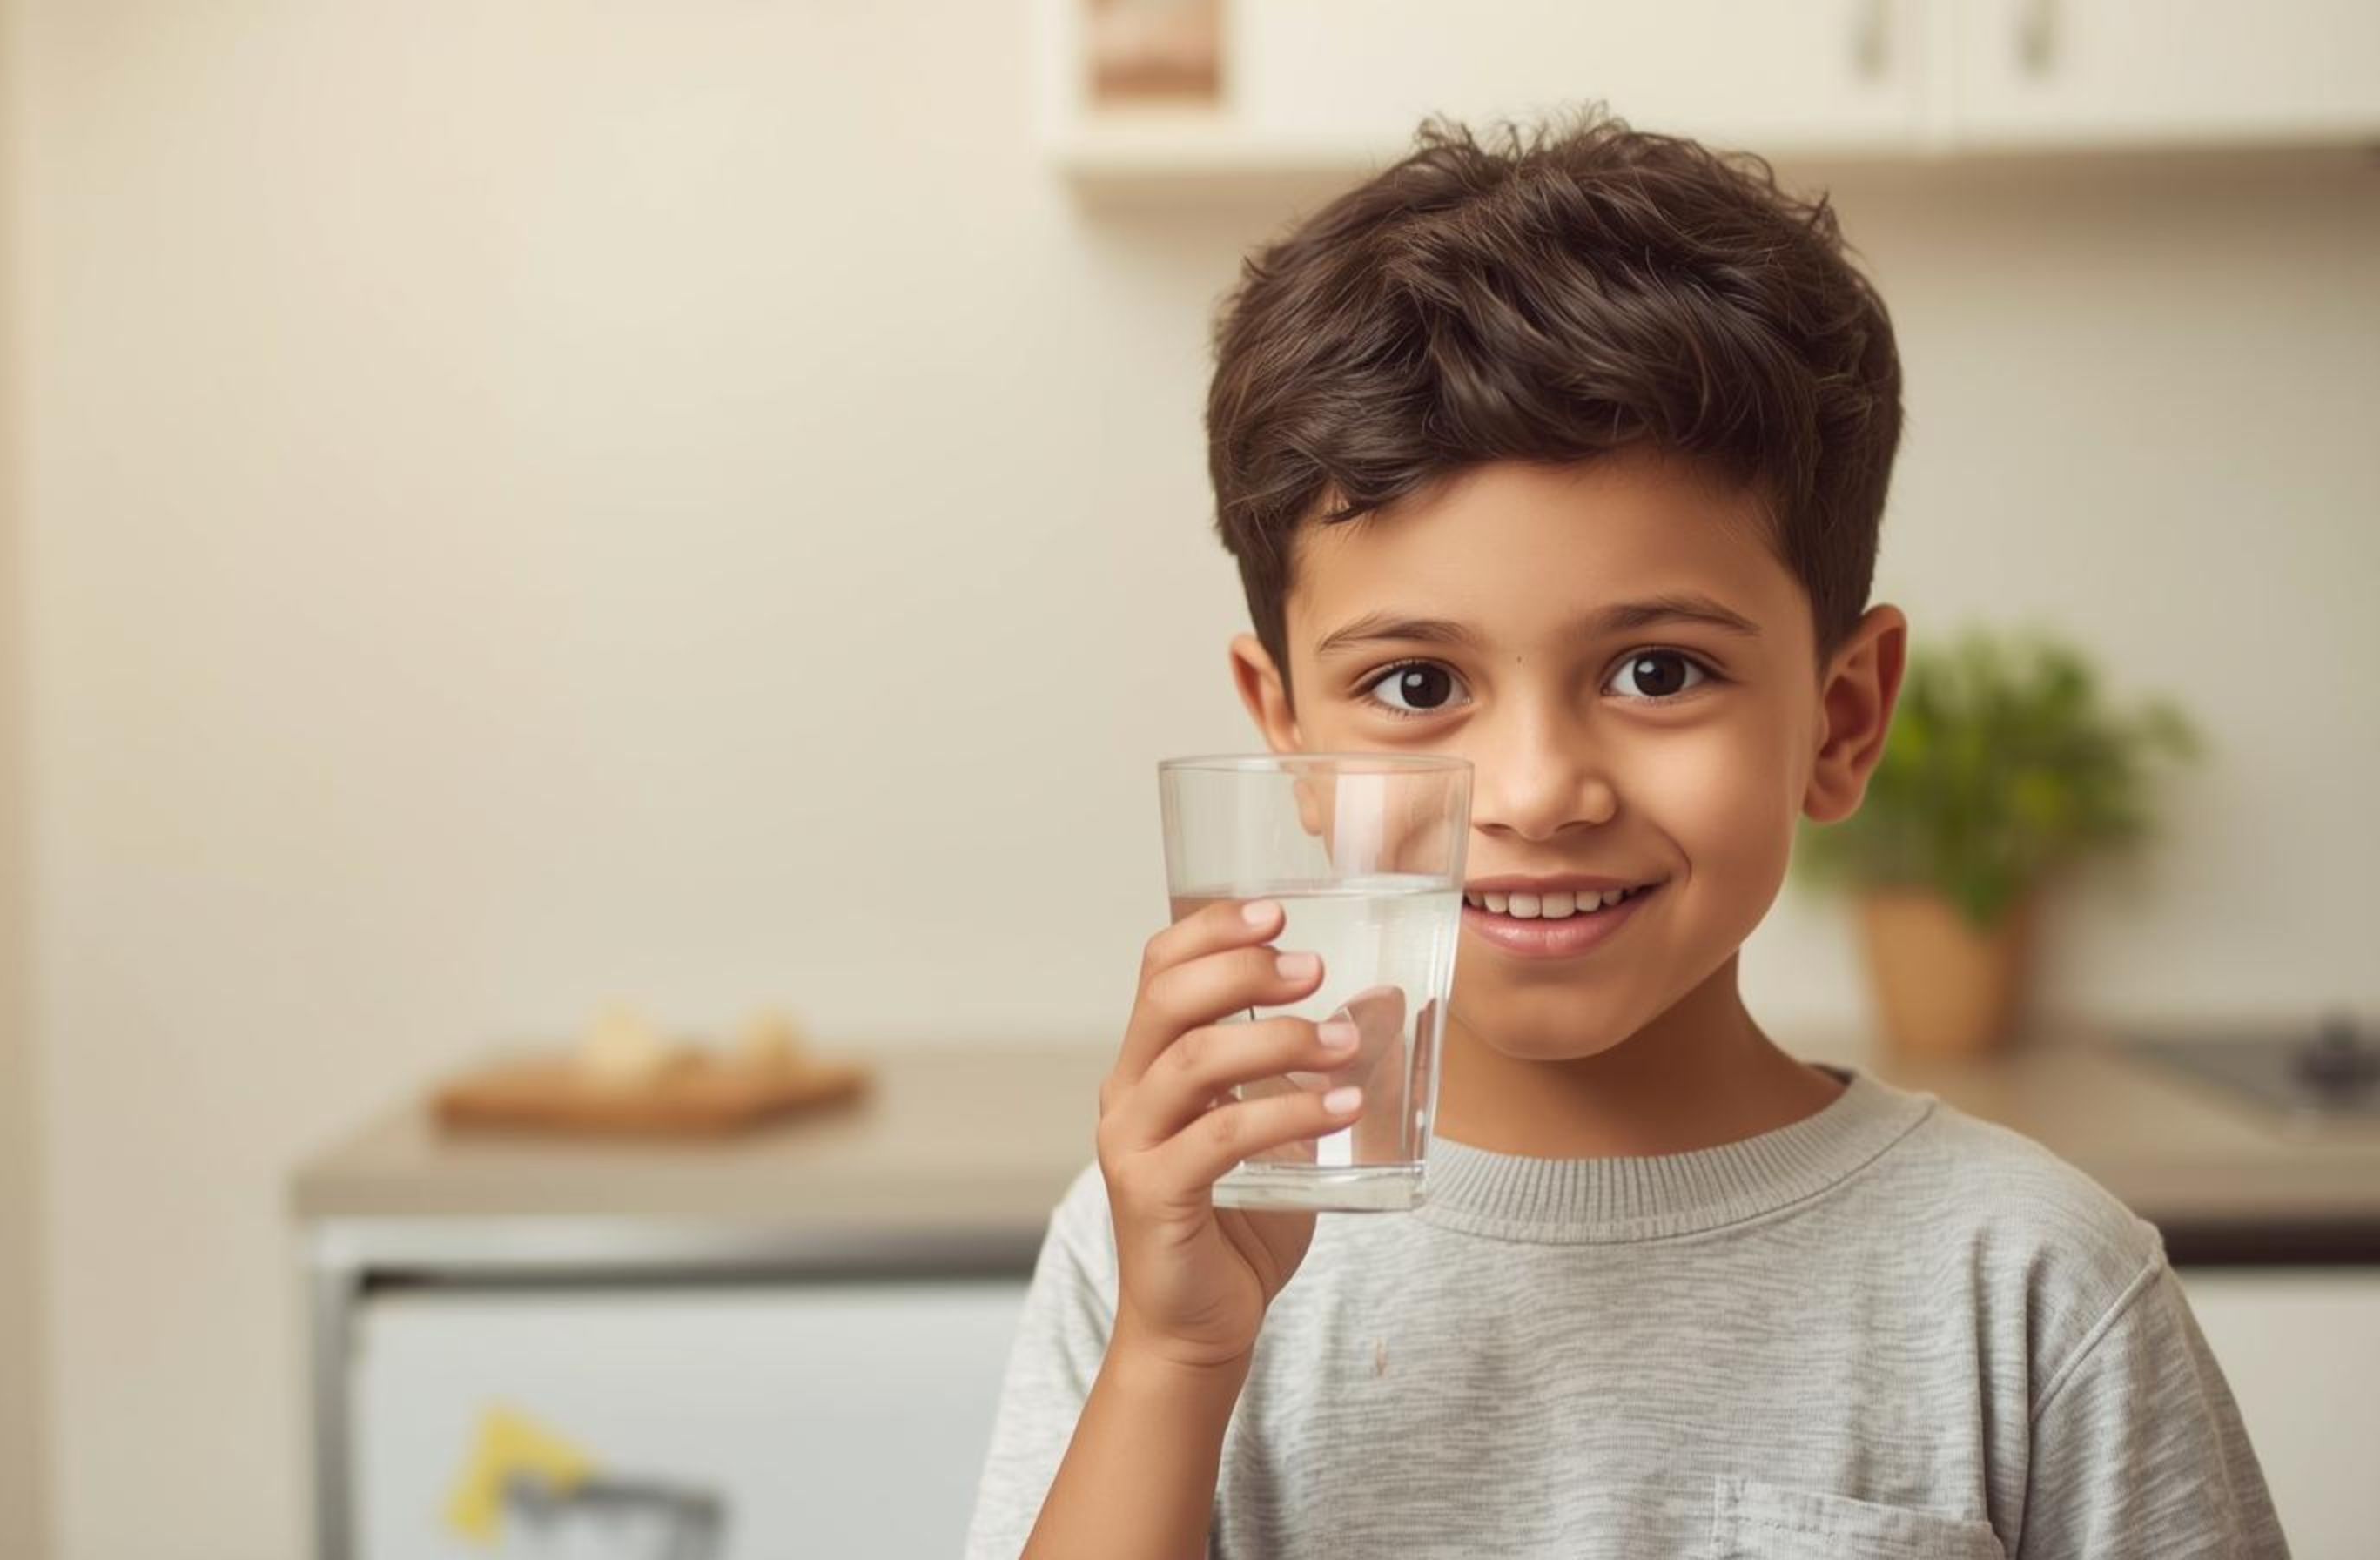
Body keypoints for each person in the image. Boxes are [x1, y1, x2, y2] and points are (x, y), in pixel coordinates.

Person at [963, 112, 2286, 1559]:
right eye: (1417, 686)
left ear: (1841, 721)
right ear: (1286, 736)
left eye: (1658, 670)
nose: (1537, 792)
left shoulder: (2031, 1286)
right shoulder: (1164, 1243)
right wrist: (1174, 1363)